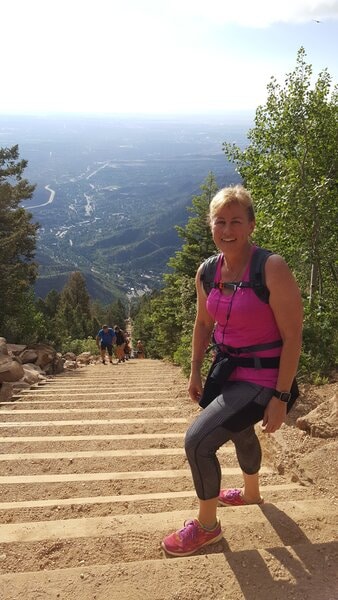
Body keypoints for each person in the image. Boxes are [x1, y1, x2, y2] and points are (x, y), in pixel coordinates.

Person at [161, 184, 303, 557]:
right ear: (211, 226)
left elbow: (293, 337)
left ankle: (208, 527)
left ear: (251, 225)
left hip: (265, 376)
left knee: (197, 441)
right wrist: (194, 370)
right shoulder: (208, 271)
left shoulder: (270, 267)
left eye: (236, 221)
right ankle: (252, 492)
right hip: (229, 371)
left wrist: (281, 397)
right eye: (220, 221)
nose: (227, 229)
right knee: (238, 428)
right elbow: (203, 324)